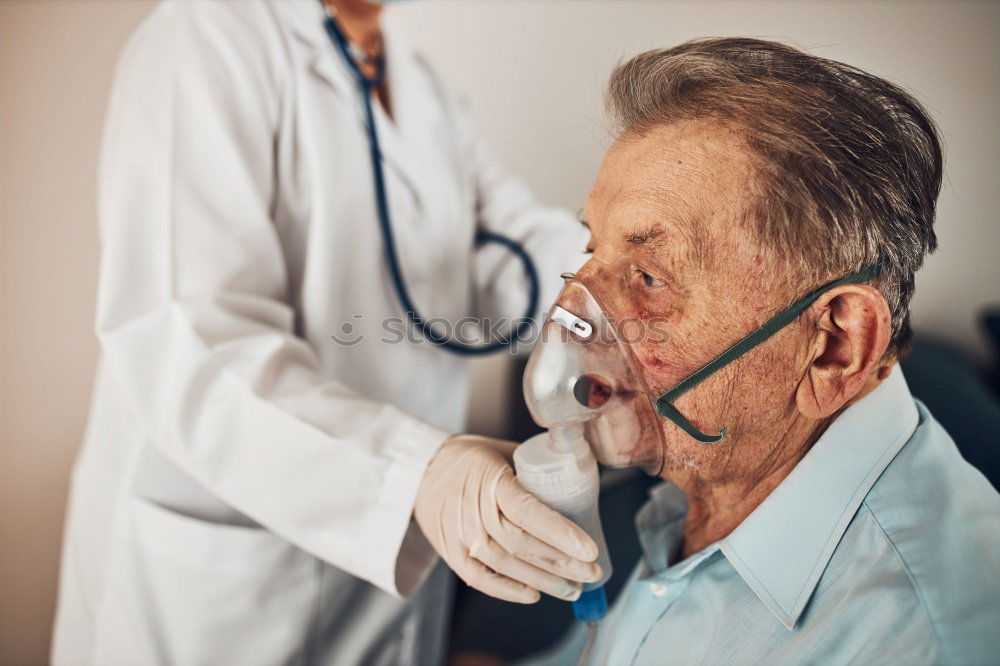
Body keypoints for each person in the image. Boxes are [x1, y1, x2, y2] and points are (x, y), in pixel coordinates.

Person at [51, 0, 599, 664]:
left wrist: (622, 285)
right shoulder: (205, 39)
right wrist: (415, 474)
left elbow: (505, 259)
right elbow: (190, 339)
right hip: (233, 584)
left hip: (391, 573)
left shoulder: (428, 94)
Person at [524, 38, 1000, 665]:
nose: (573, 317)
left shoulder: (918, 640)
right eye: (591, 253)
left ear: (833, 347)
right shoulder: (715, 476)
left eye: (649, 277)